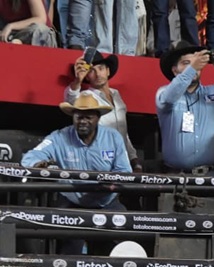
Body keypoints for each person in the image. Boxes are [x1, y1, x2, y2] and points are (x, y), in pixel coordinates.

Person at [21, 92, 131, 254]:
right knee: (68, 249)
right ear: (73, 117)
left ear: (98, 118)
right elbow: (29, 158)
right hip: (72, 202)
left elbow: (124, 171)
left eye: (89, 117)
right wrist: (43, 167)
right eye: (79, 117)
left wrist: (112, 184)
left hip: (106, 201)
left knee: (122, 236)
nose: (83, 121)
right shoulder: (59, 137)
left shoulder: (113, 137)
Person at [156, 41, 214, 176]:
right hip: (177, 177)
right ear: (174, 70)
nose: (194, 67)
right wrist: (192, 68)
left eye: (196, 63)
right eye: (186, 63)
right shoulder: (163, 93)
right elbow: (169, 98)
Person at [65, 51, 141, 173]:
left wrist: (134, 160)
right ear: (87, 76)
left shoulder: (116, 94)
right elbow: (71, 100)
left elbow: (123, 133)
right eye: (91, 71)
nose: (97, 74)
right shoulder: (87, 96)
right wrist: (77, 81)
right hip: (100, 162)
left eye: (100, 68)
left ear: (108, 71)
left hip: (122, 163)